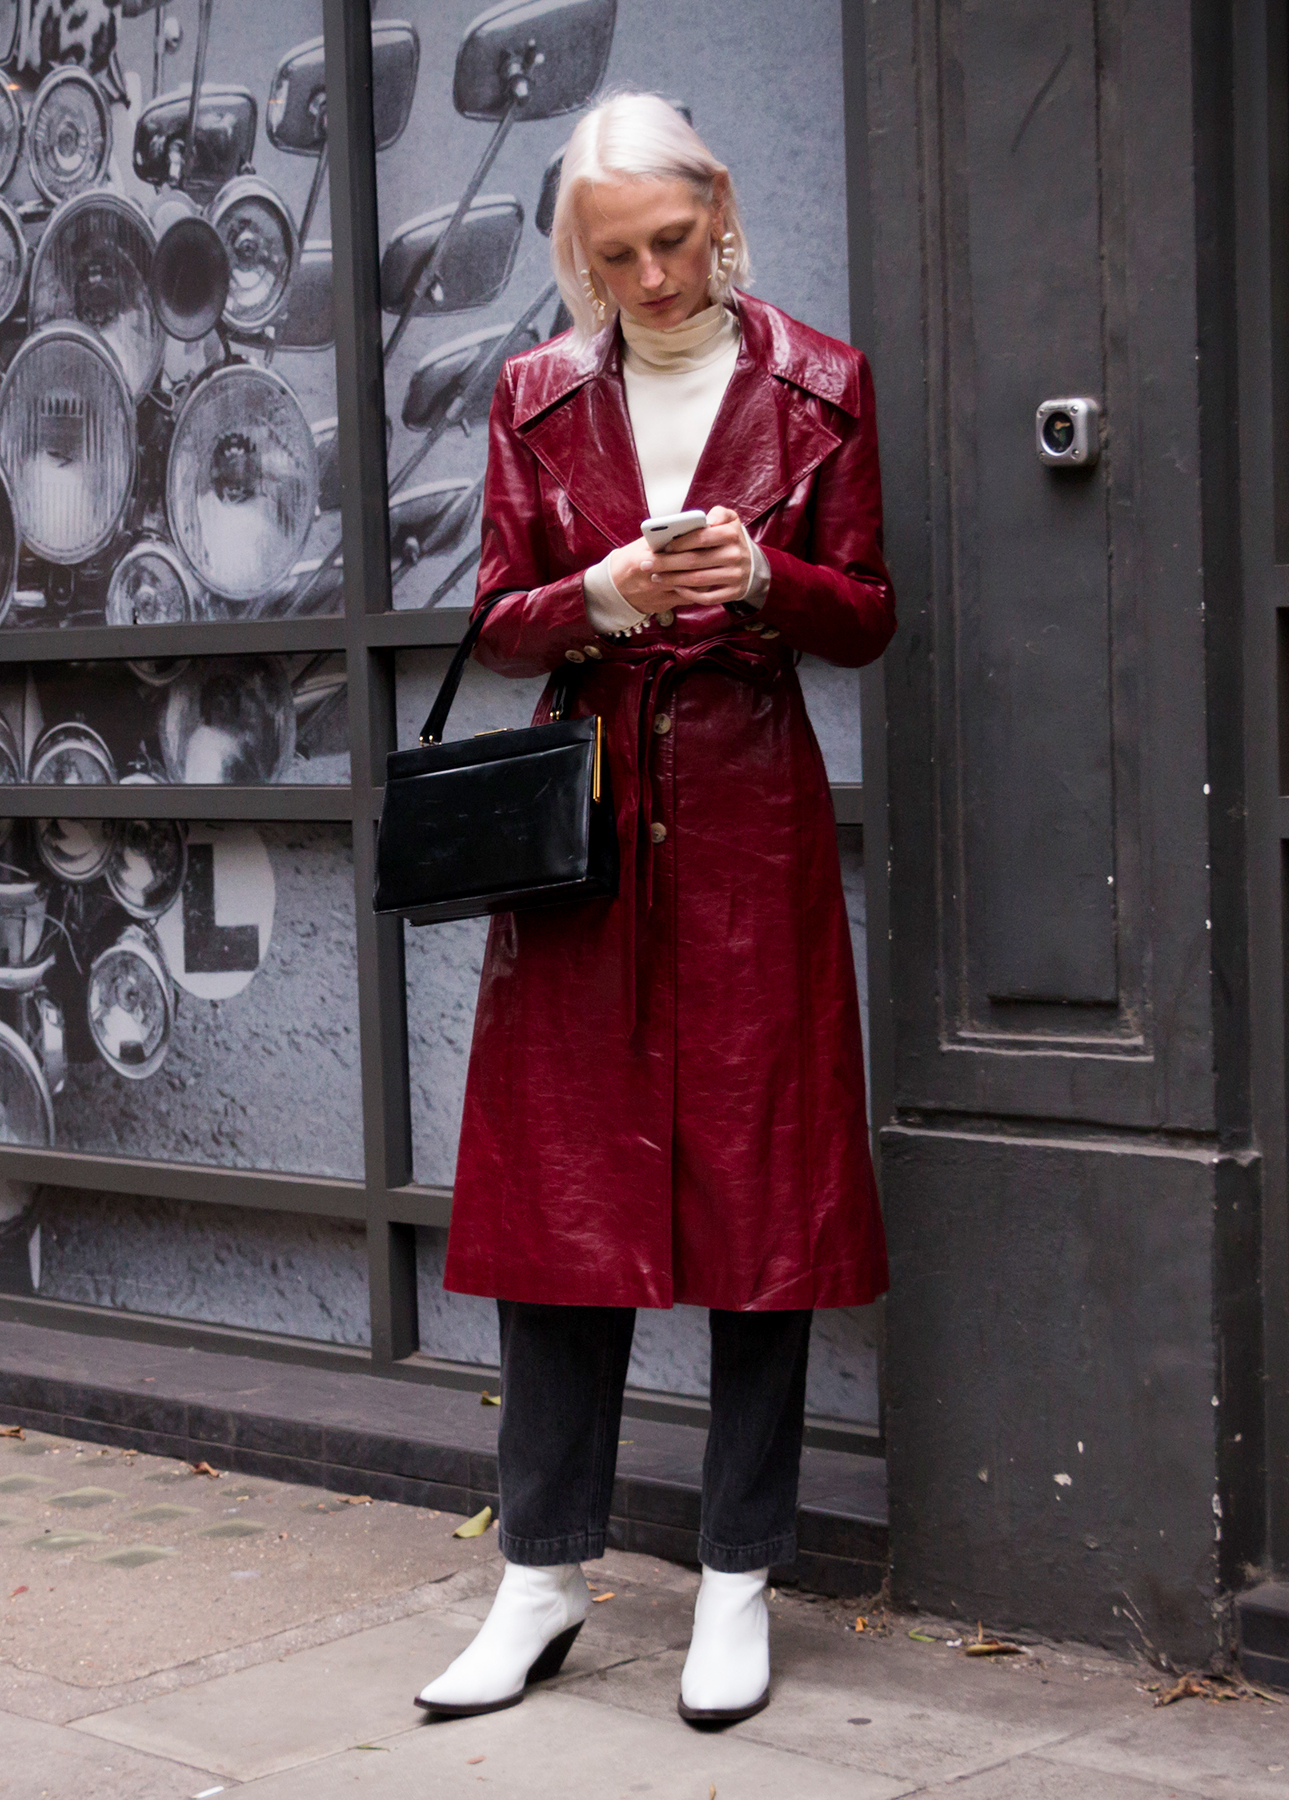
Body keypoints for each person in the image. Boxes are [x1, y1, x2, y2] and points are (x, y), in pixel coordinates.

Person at [413, 93, 892, 1730]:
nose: (653, 280)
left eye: (673, 242)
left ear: (720, 207)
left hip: (752, 824)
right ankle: (539, 1576)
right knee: (559, 1213)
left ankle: (739, 1579)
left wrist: (763, 578)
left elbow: (869, 614)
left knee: (765, 1203)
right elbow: (499, 619)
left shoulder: (823, 381)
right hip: (592, 837)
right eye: (614, 258)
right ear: (581, 257)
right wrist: (602, 594)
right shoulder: (535, 392)